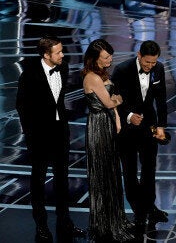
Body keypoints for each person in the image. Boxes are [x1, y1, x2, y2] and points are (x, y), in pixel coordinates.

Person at [16, 35, 85, 242]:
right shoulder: (29, 75)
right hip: (38, 138)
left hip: (60, 134)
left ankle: (65, 222)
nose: (63, 55)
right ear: (46, 55)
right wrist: (30, 136)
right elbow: (22, 107)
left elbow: (58, 101)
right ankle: (41, 226)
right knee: (38, 182)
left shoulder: (62, 68)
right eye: (59, 52)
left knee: (62, 181)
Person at [111, 40, 168, 230]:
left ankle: (150, 206)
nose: (150, 67)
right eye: (147, 63)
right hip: (127, 130)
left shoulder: (158, 68)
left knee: (149, 168)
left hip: (148, 127)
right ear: (139, 55)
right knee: (129, 170)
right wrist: (128, 116)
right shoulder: (122, 70)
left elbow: (161, 99)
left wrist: (161, 125)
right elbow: (115, 100)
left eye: (153, 63)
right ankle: (138, 211)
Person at [81, 39, 135, 241]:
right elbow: (110, 102)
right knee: (103, 174)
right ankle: (105, 224)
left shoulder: (102, 74)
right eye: (105, 57)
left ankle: (115, 219)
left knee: (111, 174)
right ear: (94, 59)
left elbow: (113, 105)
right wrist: (117, 102)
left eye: (110, 55)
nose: (110, 59)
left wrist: (117, 114)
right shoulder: (92, 77)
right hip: (99, 127)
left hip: (108, 124)